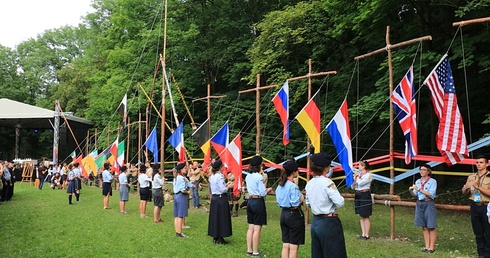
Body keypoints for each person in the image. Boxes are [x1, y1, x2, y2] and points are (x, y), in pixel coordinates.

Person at [305, 153, 346, 258]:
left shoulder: (309, 183)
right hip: (329, 222)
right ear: (326, 168)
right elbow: (340, 202)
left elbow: (308, 203)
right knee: (335, 253)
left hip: (316, 222)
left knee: (318, 254)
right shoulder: (327, 182)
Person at [275, 160, 305, 258]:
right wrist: (302, 199)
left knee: (286, 243)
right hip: (294, 215)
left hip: (284, 214)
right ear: (293, 172)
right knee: (293, 246)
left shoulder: (280, 185)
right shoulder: (293, 186)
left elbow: (279, 202)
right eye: (297, 170)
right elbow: (295, 203)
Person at [463, 155, 490, 257]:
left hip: (486, 206)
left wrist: (477, 186)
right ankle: (481, 253)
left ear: (487, 164)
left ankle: (488, 254)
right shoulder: (471, 176)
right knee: (478, 231)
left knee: (488, 232)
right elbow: (464, 192)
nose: (478, 164)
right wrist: (466, 187)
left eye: (481, 162)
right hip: (474, 205)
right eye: (477, 162)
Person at [245, 155, 272, 257]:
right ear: (259, 165)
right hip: (258, 201)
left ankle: (249, 249)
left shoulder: (248, 176)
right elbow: (262, 192)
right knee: (257, 229)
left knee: (250, 227)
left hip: (250, 200)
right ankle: (255, 252)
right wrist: (268, 189)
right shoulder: (259, 177)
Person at [409, 164, 437, 254]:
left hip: (428, 202)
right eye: (421, 170)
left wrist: (419, 189)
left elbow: (431, 194)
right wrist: (411, 190)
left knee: (431, 226)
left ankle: (431, 247)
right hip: (419, 203)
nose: (422, 171)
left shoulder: (433, 181)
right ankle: (426, 246)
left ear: (428, 171)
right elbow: (415, 195)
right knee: (424, 226)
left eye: (424, 170)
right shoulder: (418, 181)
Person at [208, 160, 233, 244]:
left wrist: (225, 185)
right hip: (221, 198)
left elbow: (217, 187)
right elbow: (222, 190)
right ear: (220, 167)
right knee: (222, 218)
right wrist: (228, 186)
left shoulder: (212, 176)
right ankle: (221, 236)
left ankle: (215, 236)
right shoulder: (220, 176)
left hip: (215, 198)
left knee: (215, 218)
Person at [352, 160, 373, 240]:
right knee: (361, 214)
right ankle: (363, 233)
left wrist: (356, 178)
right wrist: (354, 179)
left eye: (360, 165)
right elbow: (354, 186)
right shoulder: (360, 175)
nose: (358, 167)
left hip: (364, 194)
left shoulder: (368, 175)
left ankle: (366, 234)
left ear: (364, 166)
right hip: (358, 194)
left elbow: (361, 183)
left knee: (365, 214)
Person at [173, 163, 191, 238]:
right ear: (180, 170)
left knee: (177, 216)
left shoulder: (177, 177)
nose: (186, 170)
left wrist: (191, 185)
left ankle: (177, 231)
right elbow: (183, 190)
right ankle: (179, 233)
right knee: (180, 216)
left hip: (176, 196)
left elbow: (188, 183)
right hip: (181, 196)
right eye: (184, 168)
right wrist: (188, 192)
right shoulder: (181, 178)